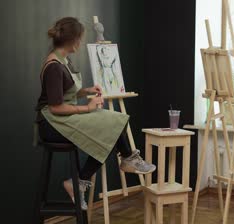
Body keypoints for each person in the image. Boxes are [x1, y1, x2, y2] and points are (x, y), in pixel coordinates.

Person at [35, 17, 156, 210]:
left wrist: (86, 91)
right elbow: (56, 106)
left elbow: (65, 93)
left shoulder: (63, 60)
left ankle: (119, 162)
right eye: (80, 39)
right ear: (73, 40)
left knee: (115, 121)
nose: (81, 43)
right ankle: (124, 160)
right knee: (109, 127)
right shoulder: (54, 67)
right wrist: (87, 108)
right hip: (51, 124)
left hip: (63, 117)